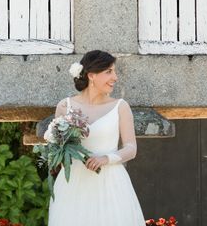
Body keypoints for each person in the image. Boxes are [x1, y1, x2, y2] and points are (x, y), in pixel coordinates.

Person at [48, 50, 146, 225]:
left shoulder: (120, 107)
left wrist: (105, 159)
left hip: (111, 184)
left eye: (114, 72)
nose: (115, 77)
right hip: (74, 186)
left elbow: (131, 148)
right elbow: (60, 151)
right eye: (109, 71)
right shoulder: (65, 106)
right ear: (91, 75)